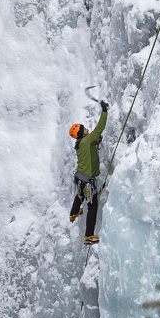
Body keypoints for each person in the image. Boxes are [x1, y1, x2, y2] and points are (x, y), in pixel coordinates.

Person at [69, 101, 108, 245]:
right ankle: (88, 236)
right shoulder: (87, 140)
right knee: (92, 207)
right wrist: (104, 111)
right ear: (81, 133)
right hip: (87, 181)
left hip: (80, 177)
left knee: (80, 196)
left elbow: (92, 140)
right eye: (83, 129)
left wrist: (95, 141)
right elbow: (100, 128)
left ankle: (74, 213)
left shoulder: (81, 142)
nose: (86, 129)